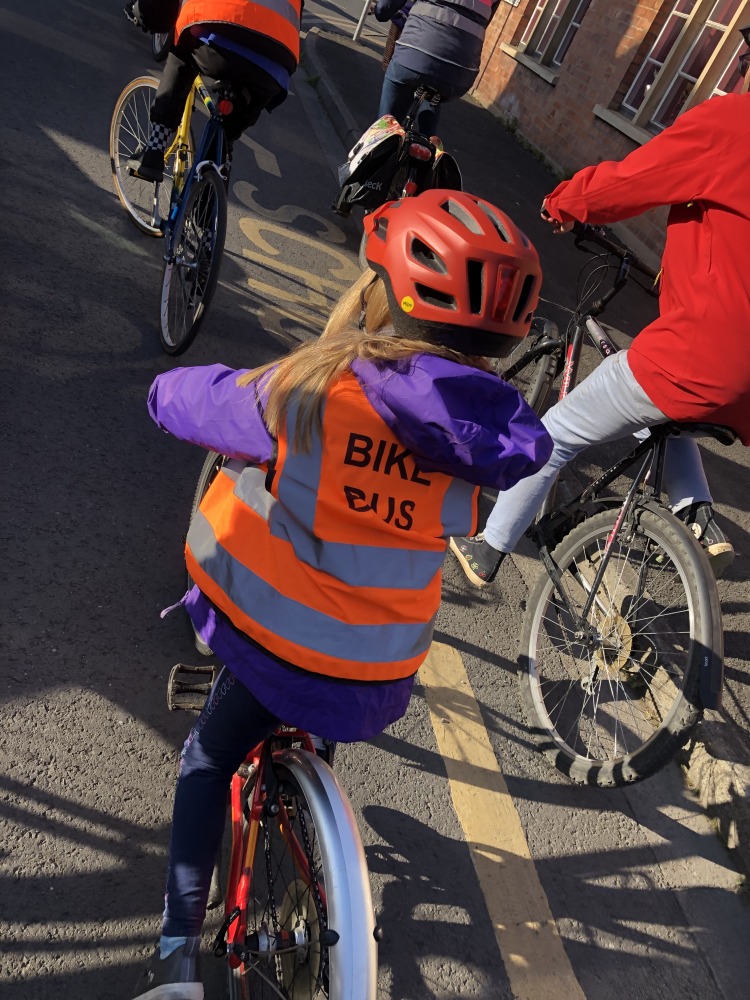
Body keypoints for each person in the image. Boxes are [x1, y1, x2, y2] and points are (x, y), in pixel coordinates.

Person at [132, 189, 552, 999]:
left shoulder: (313, 390)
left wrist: (158, 394)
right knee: (320, 694)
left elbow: (194, 402)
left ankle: (176, 954)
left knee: (208, 757)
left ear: (379, 297)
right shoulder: (483, 443)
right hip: (376, 674)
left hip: (270, 648)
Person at [450, 31, 750, 589]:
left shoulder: (734, 124)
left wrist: (567, 202)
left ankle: (487, 548)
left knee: (556, 433)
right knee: (663, 410)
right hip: (741, 384)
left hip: (703, 353)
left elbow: (638, 177)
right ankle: (699, 518)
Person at [126, 0, 300, 182]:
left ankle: (155, 149)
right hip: (273, 69)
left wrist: (142, 12)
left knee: (180, 54)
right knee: (223, 140)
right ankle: (208, 199)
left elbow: (157, 10)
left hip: (217, 38)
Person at [371, 0, 499, 135]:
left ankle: (381, 139)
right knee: (434, 94)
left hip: (416, 55)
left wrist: (379, 10)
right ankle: (430, 144)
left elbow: (384, 8)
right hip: (461, 74)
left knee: (385, 125)